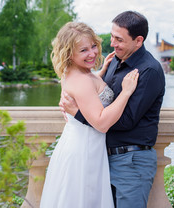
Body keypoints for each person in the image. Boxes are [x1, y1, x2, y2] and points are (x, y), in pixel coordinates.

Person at [60, 11, 166, 208]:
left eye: (119, 39)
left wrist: (78, 114)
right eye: (112, 36)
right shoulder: (116, 59)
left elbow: (124, 121)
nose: (112, 43)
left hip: (131, 161)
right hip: (102, 158)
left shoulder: (148, 71)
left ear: (138, 40)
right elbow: (97, 95)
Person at [40, 21, 139, 208]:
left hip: (82, 147)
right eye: (84, 50)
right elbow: (101, 123)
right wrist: (125, 92)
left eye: (93, 46)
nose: (93, 53)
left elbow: (88, 94)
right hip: (84, 153)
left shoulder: (72, 72)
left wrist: (99, 74)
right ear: (69, 53)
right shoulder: (81, 80)